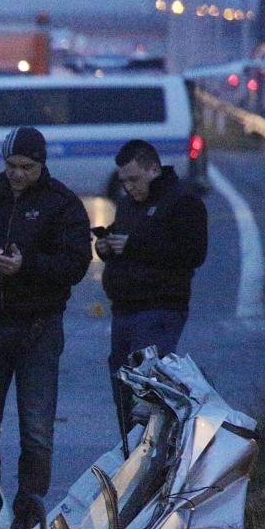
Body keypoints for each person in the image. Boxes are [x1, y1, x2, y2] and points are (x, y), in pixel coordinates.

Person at [0, 127, 93, 529]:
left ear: (41, 165)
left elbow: (75, 264)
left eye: (26, 168)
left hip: (39, 326)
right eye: (11, 166)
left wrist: (27, 265)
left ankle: (29, 513)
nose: (17, 175)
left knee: (36, 427)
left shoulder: (61, 204)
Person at [95, 139, 209, 428]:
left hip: (160, 306)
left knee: (146, 392)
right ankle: (130, 456)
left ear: (153, 169)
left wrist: (133, 246)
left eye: (134, 179)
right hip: (124, 308)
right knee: (124, 388)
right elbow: (125, 247)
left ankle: (153, 458)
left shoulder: (183, 202)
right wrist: (107, 248)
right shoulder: (128, 205)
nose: (129, 187)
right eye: (124, 181)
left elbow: (192, 253)